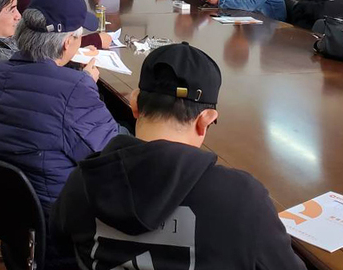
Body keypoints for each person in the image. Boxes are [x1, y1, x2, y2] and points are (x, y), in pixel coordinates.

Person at [52, 42, 306, 270]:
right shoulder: (244, 200)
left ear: (135, 104)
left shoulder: (82, 182)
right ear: (206, 120)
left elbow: (57, 249)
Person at [0, 0, 120, 233]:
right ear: (67, 43)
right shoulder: (75, 91)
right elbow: (112, 159)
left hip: (6, 214)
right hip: (58, 224)